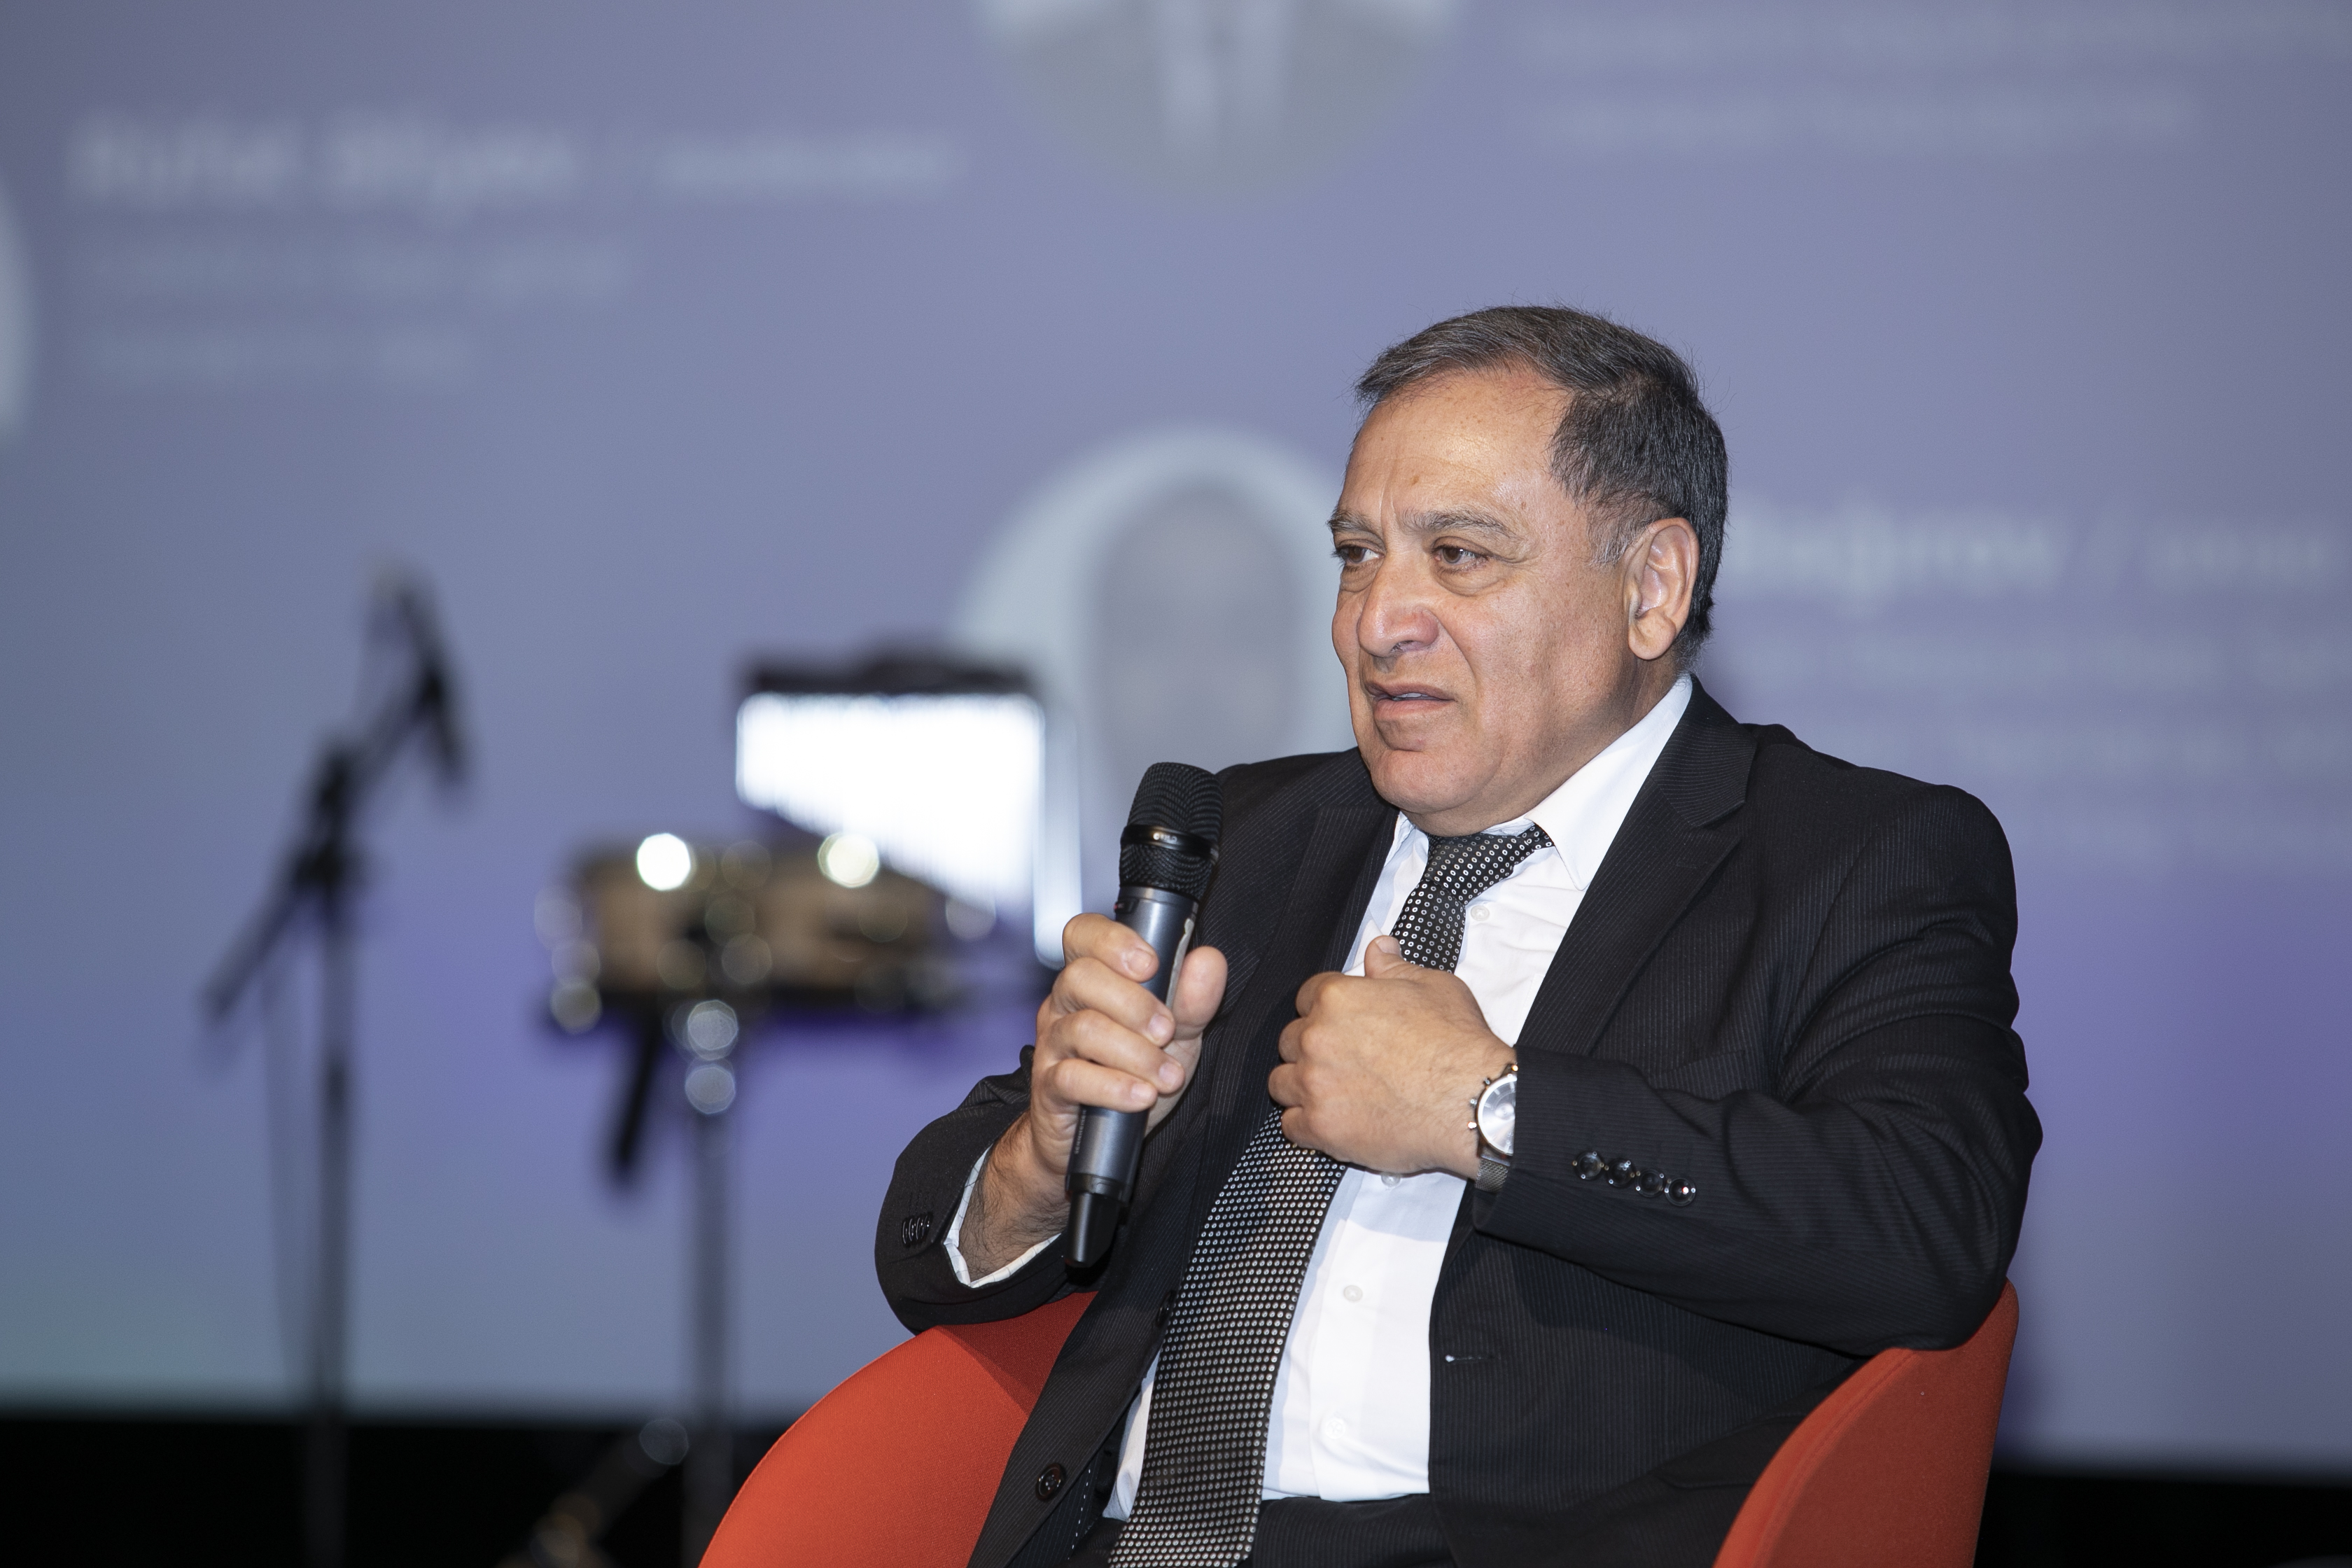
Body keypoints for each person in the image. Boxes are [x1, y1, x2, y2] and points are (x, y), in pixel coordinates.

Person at [876, 306, 2040, 1568]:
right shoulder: (1253, 837)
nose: (1378, 620)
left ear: (1652, 588)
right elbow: (926, 1251)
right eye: (1357, 554)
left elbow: (1930, 1227)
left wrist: (1491, 1112)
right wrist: (1044, 1158)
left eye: (1460, 556)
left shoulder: (1850, 858)